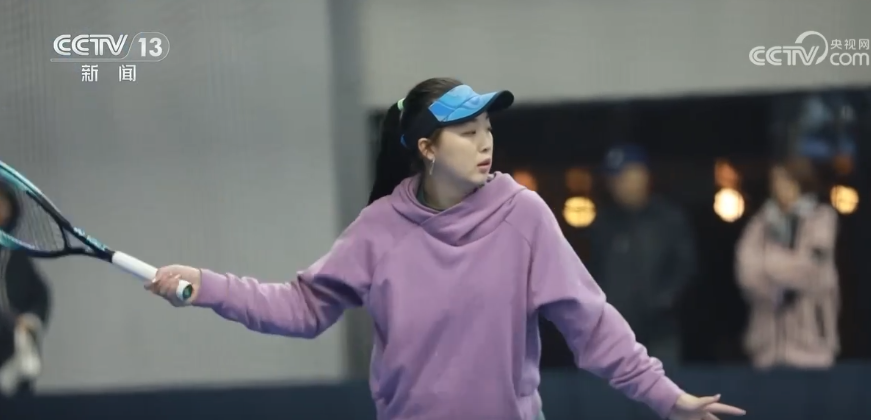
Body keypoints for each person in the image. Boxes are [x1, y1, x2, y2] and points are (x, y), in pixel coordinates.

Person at [146, 78, 744, 420]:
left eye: (488, 129)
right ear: (428, 149)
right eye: (467, 131)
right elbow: (301, 310)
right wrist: (206, 285)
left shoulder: (525, 216)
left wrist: (669, 400)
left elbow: (593, 325)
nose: (486, 143)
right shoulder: (378, 230)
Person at [588, 144, 696, 365]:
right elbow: (591, 274)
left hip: (659, 336)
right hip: (613, 337)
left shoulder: (668, 220)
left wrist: (664, 302)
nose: (618, 186)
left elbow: (686, 269)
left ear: (643, 176)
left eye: (624, 177)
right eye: (613, 180)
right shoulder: (604, 225)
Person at [736, 157, 839, 369]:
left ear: (801, 182)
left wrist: (769, 264)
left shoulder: (821, 218)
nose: (779, 187)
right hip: (767, 347)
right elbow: (746, 272)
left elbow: (810, 269)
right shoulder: (760, 223)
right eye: (775, 181)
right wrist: (777, 282)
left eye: (785, 181)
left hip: (812, 344)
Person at [0, 180, 50, 403]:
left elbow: (41, 295)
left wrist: (28, 321)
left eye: (2, 202)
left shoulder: (16, 256)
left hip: (12, 351)